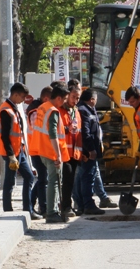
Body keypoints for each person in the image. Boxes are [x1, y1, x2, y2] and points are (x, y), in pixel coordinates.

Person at [0, 82, 40, 220]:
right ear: (15, 94)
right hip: (12, 152)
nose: (23, 100)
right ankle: (10, 210)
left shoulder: (13, 108)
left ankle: (27, 209)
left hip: (19, 151)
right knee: (10, 181)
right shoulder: (6, 110)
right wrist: (11, 155)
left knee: (28, 177)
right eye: (22, 97)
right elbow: (5, 136)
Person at [29, 83, 70, 223]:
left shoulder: (42, 107)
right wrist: (58, 155)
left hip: (42, 150)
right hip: (51, 151)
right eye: (64, 99)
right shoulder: (53, 111)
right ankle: (52, 212)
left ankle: (52, 210)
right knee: (54, 181)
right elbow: (53, 133)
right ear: (58, 98)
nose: (65, 102)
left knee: (52, 181)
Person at [75, 89, 109, 215]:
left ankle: (83, 204)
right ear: (92, 99)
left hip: (90, 149)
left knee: (85, 176)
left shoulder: (88, 110)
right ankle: (87, 204)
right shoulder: (84, 111)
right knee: (87, 177)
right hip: (87, 151)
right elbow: (85, 133)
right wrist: (91, 150)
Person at [27, 86, 52, 216]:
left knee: (43, 178)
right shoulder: (36, 111)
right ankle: (43, 207)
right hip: (37, 150)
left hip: (40, 149)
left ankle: (32, 202)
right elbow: (40, 131)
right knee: (43, 179)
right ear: (46, 98)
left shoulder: (39, 109)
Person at [59, 84, 83, 218]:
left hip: (74, 153)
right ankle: (65, 206)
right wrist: (67, 129)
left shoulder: (76, 111)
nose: (75, 100)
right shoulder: (60, 110)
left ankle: (68, 205)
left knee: (71, 181)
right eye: (73, 97)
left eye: (78, 98)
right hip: (63, 152)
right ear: (67, 96)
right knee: (66, 181)